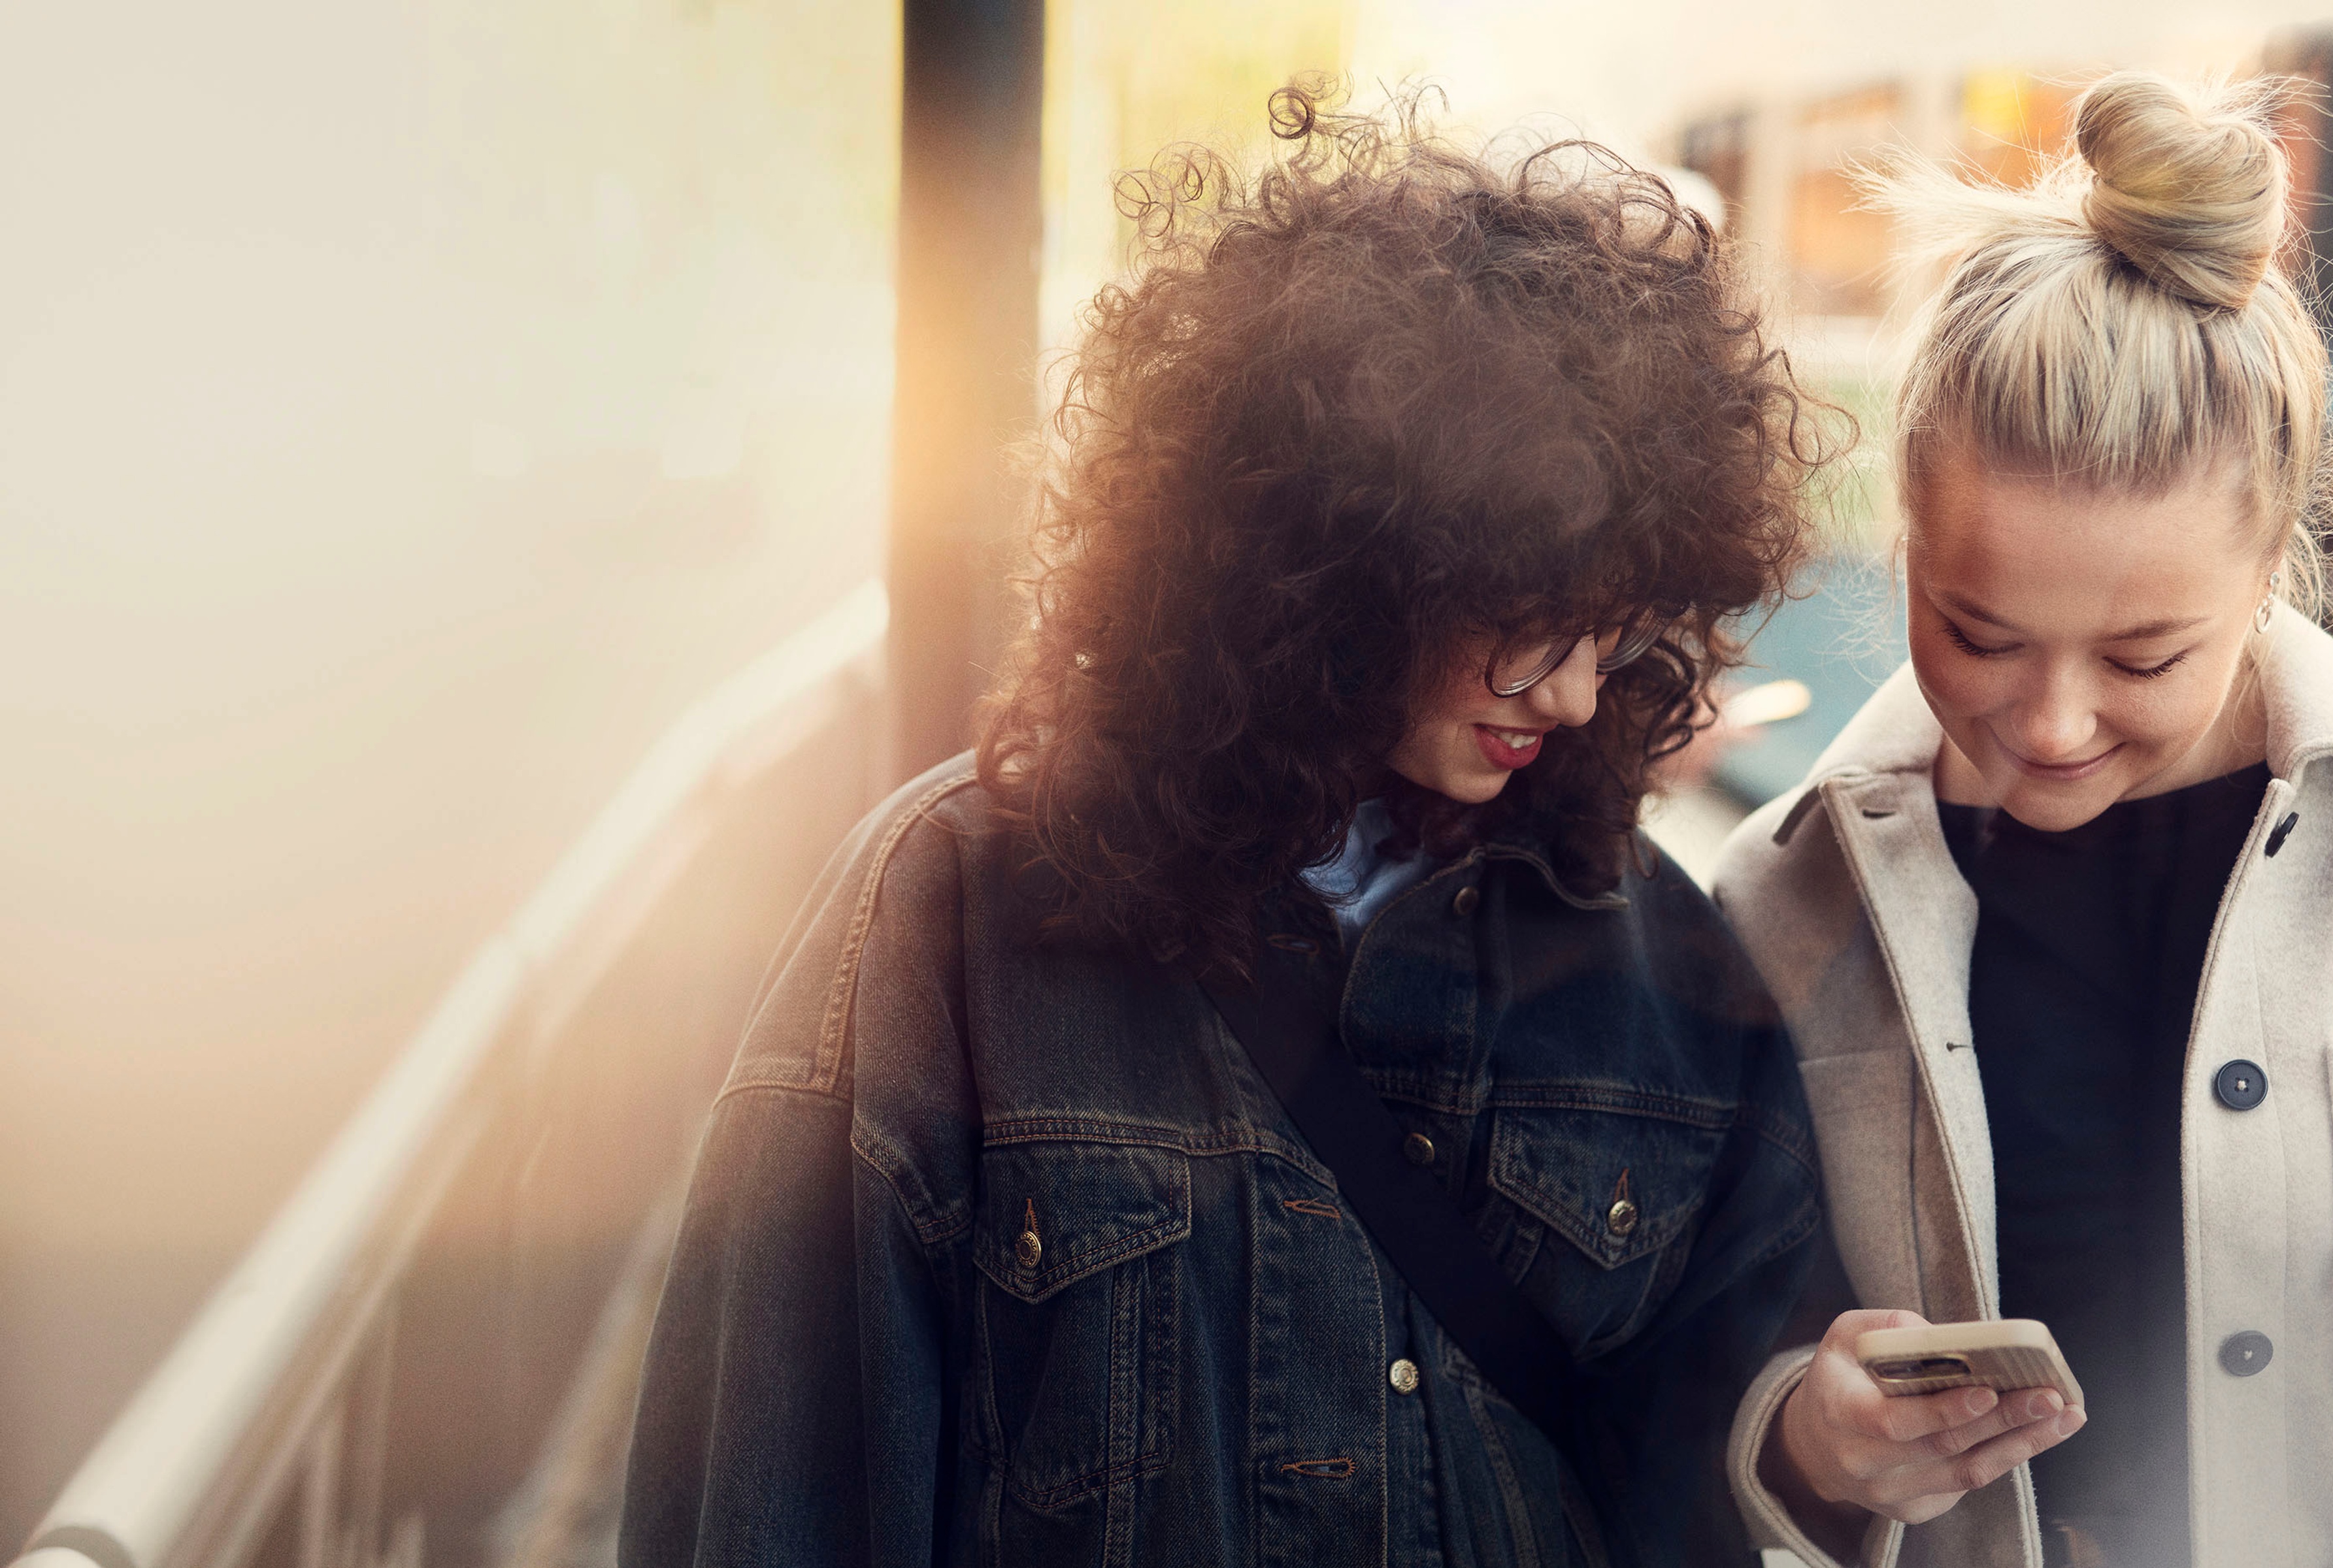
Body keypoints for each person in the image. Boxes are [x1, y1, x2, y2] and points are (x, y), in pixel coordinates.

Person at [621, 84, 1831, 1568]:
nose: (1579, 695)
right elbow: (773, 1493)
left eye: (1615, 625)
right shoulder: (946, 914)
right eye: (1527, 618)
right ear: (1339, 563)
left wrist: (1823, 1435)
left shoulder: (1654, 954)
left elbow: (1714, 1464)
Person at [1712, 71, 2333, 1568]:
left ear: (2276, 550)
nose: (2052, 724)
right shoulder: (1781, 899)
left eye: (2144, 657)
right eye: (1978, 632)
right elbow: (1704, 1343)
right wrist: (1810, 1437)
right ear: (1904, 537)